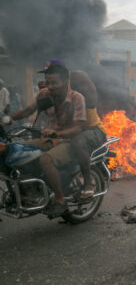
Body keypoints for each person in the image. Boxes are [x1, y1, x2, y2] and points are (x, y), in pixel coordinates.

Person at [9, 59, 86, 216]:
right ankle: (27, 190)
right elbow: (27, 111)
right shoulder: (44, 94)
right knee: (16, 150)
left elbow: (78, 127)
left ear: (65, 81)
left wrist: (57, 133)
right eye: (47, 82)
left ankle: (60, 201)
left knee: (45, 160)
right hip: (47, 139)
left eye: (54, 83)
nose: (49, 86)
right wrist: (9, 119)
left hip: (69, 141)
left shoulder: (77, 98)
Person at [69, 70, 107, 199]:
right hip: (68, 130)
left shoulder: (76, 78)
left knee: (77, 141)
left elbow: (91, 98)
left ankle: (88, 182)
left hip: (93, 130)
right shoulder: (49, 90)